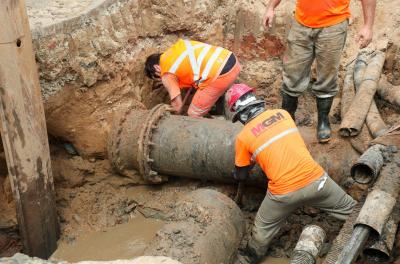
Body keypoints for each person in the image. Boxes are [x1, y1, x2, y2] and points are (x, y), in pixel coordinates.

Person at [226, 84, 356, 263]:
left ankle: (250, 258)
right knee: (353, 211)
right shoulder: (284, 114)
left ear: (240, 113)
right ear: (257, 102)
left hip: (284, 193)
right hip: (318, 181)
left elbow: (241, 175)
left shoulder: (243, 137)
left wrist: (239, 171)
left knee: (262, 228)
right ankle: (374, 235)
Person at [263, 0, 376, 142]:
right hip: (301, 24)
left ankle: (323, 120)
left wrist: (368, 26)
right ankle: (287, 119)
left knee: (327, 76)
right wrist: (271, 7)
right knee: (292, 74)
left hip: (334, 25)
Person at [144, 39, 241, 117]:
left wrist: (175, 118)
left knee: (193, 113)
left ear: (156, 67)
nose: (161, 79)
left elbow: (177, 106)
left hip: (220, 74)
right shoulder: (177, 48)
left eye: (158, 77)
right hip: (233, 61)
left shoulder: (166, 71)